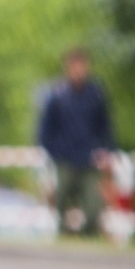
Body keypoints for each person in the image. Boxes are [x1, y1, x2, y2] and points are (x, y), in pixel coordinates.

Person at [37, 47, 115, 235]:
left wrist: (106, 151)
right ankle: (63, 234)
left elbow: (106, 126)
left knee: (94, 205)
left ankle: (89, 236)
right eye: (74, 66)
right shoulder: (57, 96)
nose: (78, 70)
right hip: (65, 159)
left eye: (81, 66)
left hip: (90, 160)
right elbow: (45, 130)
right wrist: (55, 153)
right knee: (60, 200)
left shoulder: (96, 95)